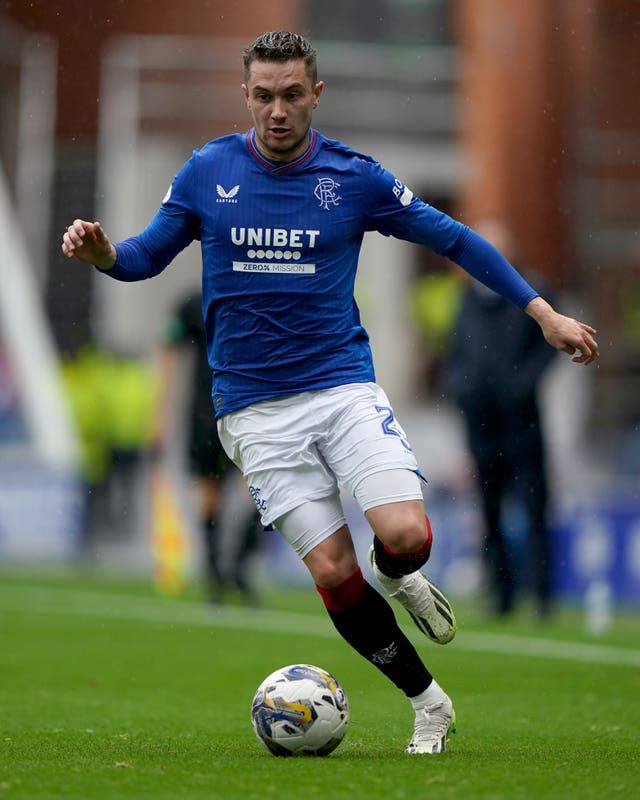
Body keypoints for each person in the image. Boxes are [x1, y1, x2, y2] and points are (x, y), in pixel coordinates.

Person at [62, 30, 599, 755]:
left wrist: (544, 314)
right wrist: (104, 255)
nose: (276, 111)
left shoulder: (354, 178)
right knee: (332, 573)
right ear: (245, 95)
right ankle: (428, 702)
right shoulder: (206, 171)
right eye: (262, 96)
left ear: (316, 94)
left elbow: (458, 242)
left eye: (290, 95)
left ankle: (398, 574)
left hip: (341, 390)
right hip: (253, 412)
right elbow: (143, 258)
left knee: (405, 536)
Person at [445, 219, 558, 618]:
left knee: (534, 504)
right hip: (481, 423)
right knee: (489, 508)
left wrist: (520, 386)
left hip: (522, 421)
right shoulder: (467, 298)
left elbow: (546, 350)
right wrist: (462, 389)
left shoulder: (533, 291)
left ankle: (543, 596)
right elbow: (455, 352)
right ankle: (502, 592)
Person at [154, 292, 261, 605]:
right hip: (206, 414)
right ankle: (215, 575)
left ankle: (240, 567)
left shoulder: (255, 294)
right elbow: (169, 353)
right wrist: (160, 416)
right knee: (209, 498)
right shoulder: (194, 303)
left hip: (252, 412)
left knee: (260, 493)